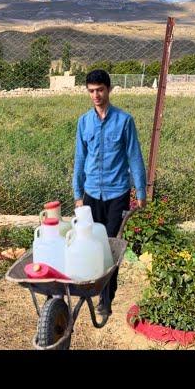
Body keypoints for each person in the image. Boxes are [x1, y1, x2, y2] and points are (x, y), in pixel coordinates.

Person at [72, 69, 147, 316]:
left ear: (109, 89)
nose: (96, 95)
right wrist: (77, 195)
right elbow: (79, 161)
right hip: (92, 194)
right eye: (91, 91)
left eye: (100, 90)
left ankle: (107, 298)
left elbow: (134, 157)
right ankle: (90, 288)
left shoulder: (124, 121)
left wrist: (142, 193)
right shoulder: (84, 122)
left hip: (117, 194)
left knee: (111, 247)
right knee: (91, 243)